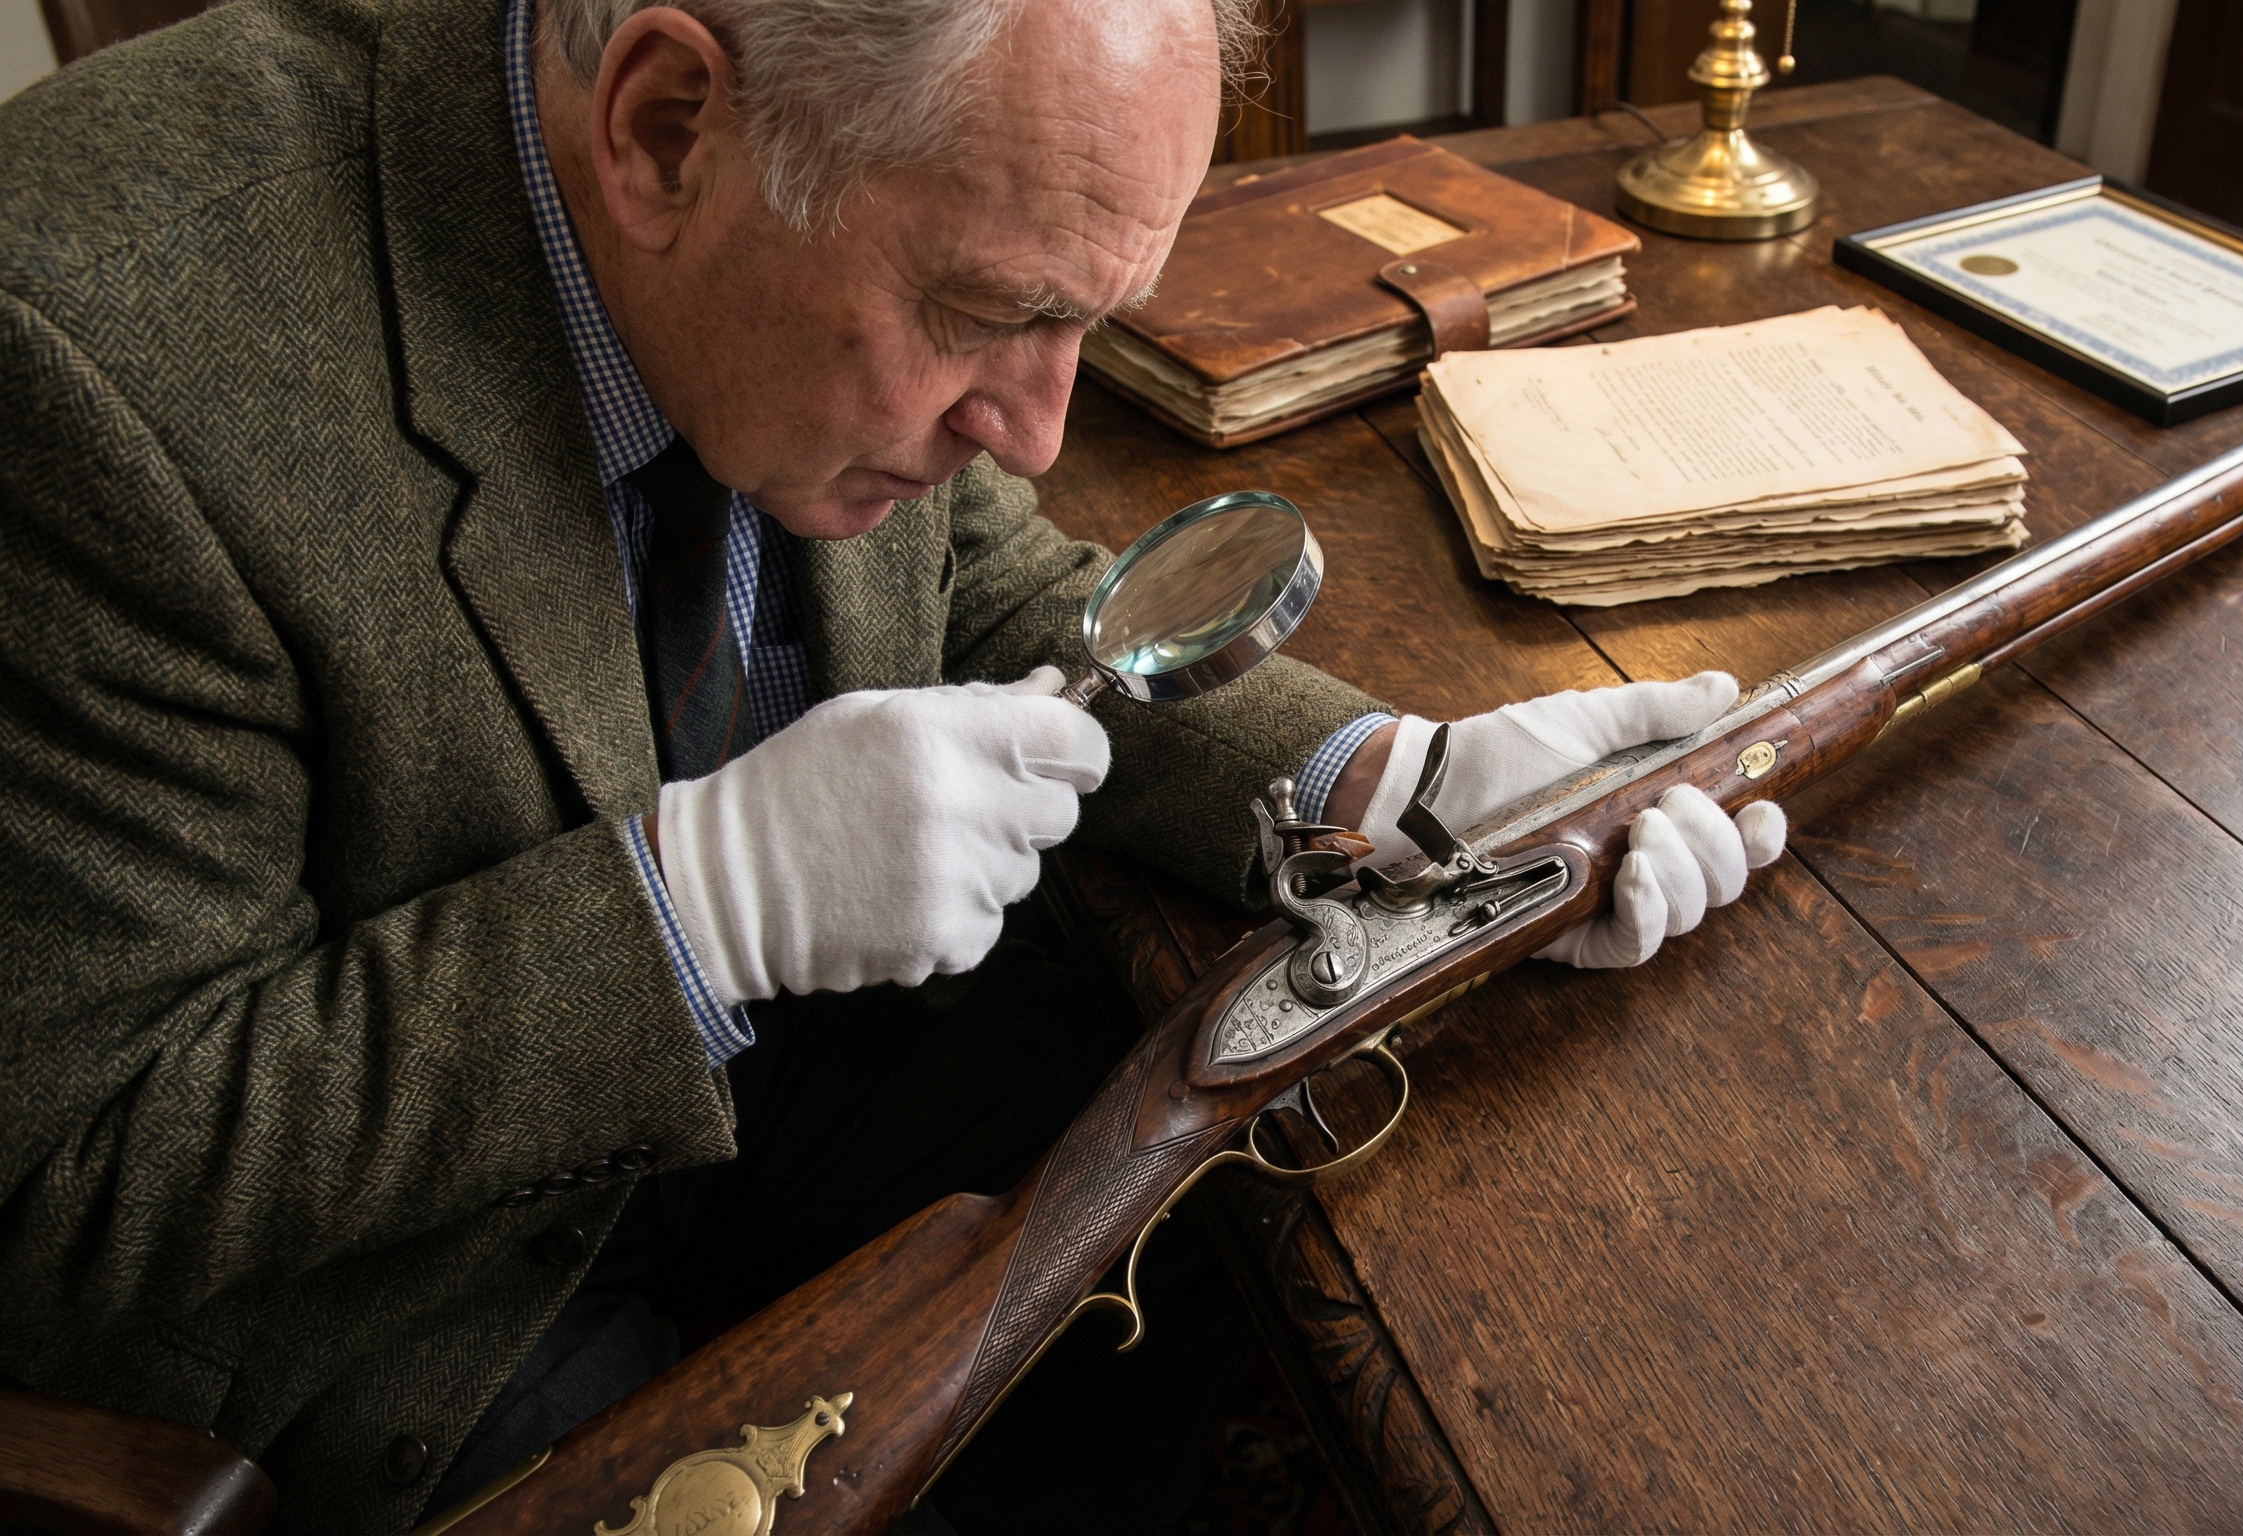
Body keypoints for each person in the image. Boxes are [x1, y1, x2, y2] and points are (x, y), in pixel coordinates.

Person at [0, 0, 1787, 1527]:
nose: (1040, 423)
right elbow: (68, 1174)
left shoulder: (827, 197)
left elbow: (989, 579)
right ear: (667, 126)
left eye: (1089, 318)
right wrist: (689, 916)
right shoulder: (88, 353)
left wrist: (1390, 786)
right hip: (413, 1289)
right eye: (989, 310)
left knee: (1248, 1178)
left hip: (777, 1082)